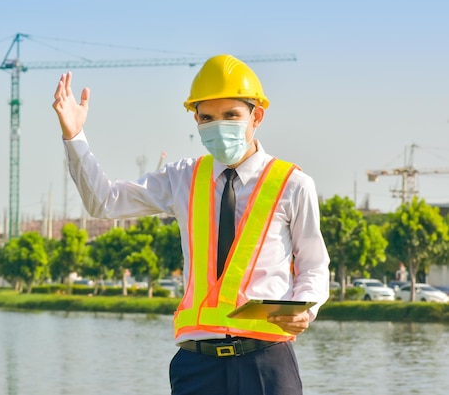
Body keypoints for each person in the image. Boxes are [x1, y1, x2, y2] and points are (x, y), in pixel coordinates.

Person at [52, 54, 330, 395]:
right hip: (197, 367)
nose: (219, 126)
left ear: (256, 115)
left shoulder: (293, 184)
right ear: (195, 119)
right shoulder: (182, 177)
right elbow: (104, 202)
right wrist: (75, 136)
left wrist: (306, 307)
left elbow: (314, 264)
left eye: (231, 115)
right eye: (207, 118)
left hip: (266, 362)